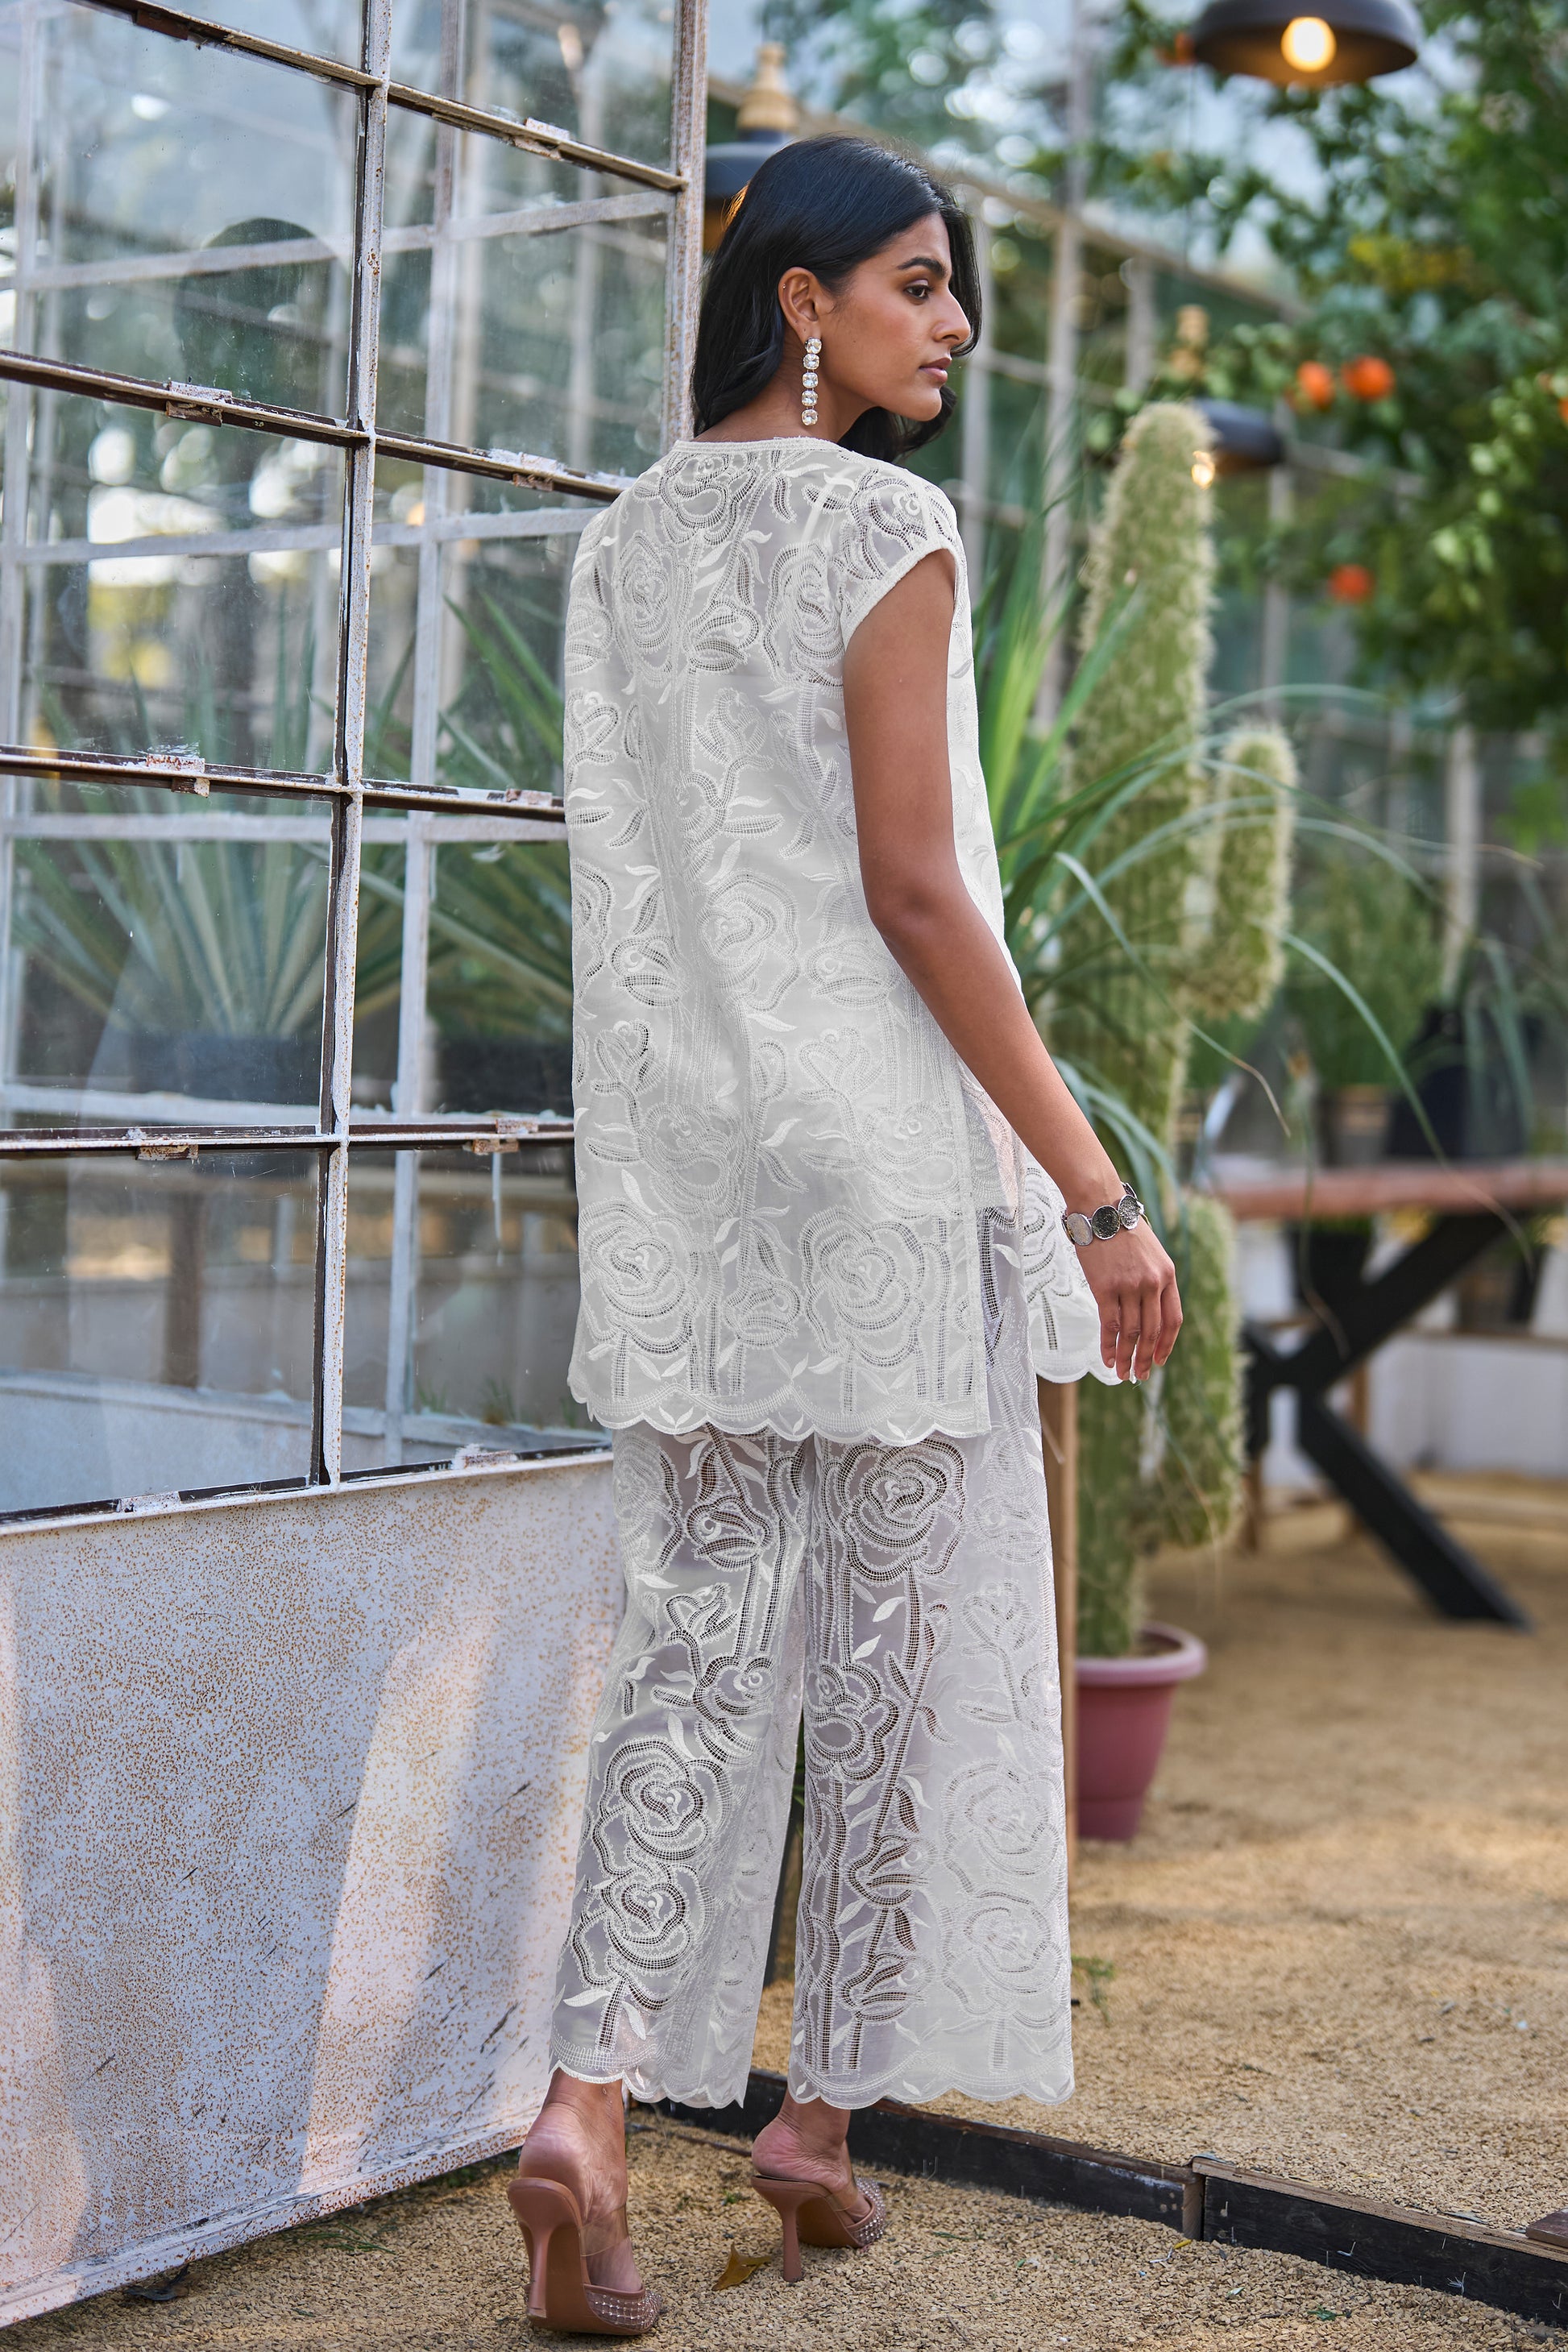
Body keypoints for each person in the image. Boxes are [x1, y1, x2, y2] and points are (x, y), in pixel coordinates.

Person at [506, 134, 1182, 2334]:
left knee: (692, 1651)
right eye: (915, 280)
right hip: (880, 1173)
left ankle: (587, 2111)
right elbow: (918, 890)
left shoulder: (621, 539)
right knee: (888, 1664)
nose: (953, 322)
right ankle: (814, 2120)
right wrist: (1094, 1189)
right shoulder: (886, 528)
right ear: (799, 299)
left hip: (695, 1177)